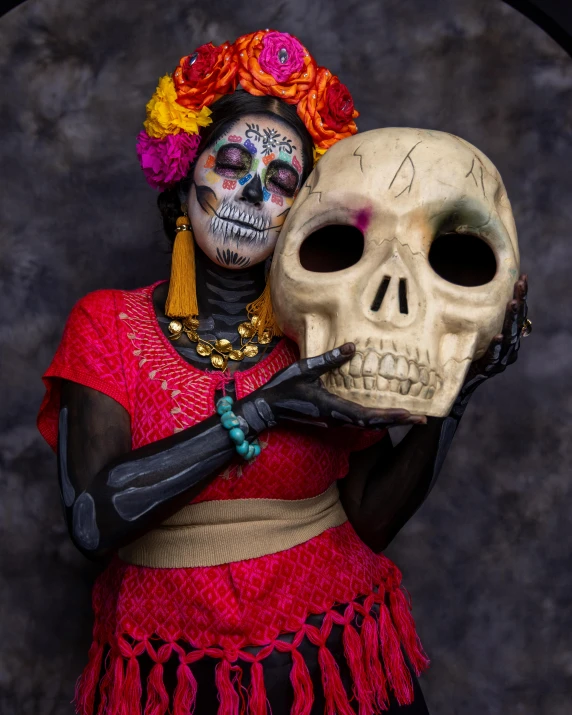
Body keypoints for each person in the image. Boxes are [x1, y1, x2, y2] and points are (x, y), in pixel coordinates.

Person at [37, 29, 529, 715]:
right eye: (232, 162)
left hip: (339, 662)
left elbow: (371, 520)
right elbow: (92, 521)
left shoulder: (319, 326)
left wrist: (457, 388)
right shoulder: (109, 326)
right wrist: (262, 409)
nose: (250, 192)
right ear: (185, 175)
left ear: (301, 213)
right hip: (180, 678)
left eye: (282, 182)